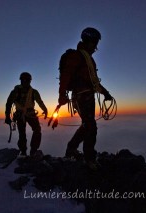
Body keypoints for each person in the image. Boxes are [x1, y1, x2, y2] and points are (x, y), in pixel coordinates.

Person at [58, 27, 113, 170]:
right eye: (95, 43)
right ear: (89, 41)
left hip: (85, 96)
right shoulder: (77, 56)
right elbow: (66, 75)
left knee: (87, 124)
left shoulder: (88, 59)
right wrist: (61, 96)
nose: (96, 47)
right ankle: (89, 159)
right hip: (82, 96)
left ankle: (71, 149)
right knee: (91, 127)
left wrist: (105, 93)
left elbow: (93, 82)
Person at [5, 72, 48, 157]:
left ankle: (25, 151)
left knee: (24, 133)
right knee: (34, 130)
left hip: (22, 114)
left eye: (26, 80)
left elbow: (9, 103)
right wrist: (45, 110)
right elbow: (40, 102)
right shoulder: (31, 92)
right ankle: (30, 151)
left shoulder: (17, 91)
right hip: (26, 114)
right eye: (24, 80)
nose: (25, 82)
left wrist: (7, 117)